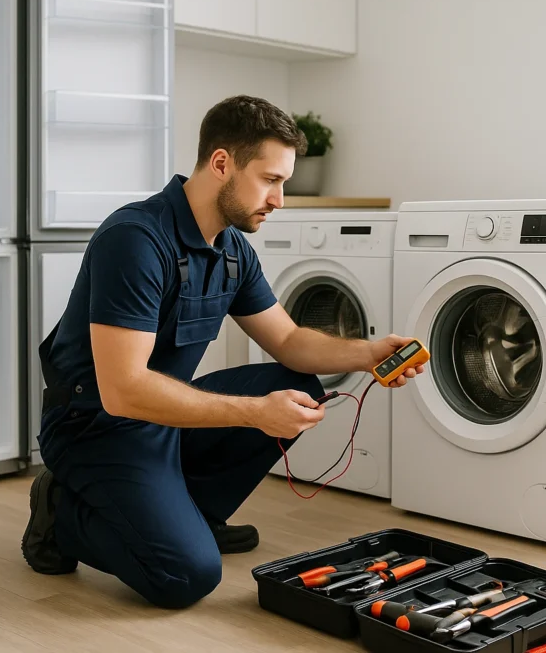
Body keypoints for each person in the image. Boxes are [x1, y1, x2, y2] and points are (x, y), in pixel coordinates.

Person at [21, 94, 425, 609]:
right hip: (93, 427)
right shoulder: (136, 240)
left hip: (159, 420)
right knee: (184, 576)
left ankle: (193, 516)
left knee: (298, 389)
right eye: (271, 180)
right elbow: (122, 392)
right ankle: (59, 511)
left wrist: (367, 354)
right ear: (221, 164)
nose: (280, 199)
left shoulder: (233, 251)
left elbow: (289, 341)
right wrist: (257, 413)